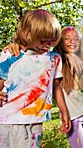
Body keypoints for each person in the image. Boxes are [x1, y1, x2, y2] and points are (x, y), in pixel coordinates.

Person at [0, 9, 71, 147]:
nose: (48, 45)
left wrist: (64, 112)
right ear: (28, 35)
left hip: (33, 120)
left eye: (52, 41)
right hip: (5, 119)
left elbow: (56, 86)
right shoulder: (11, 55)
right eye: (43, 41)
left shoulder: (53, 59)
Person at [53, 26, 83, 148]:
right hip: (72, 116)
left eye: (75, 38)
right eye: (67, 39)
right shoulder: (57, 61)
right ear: (61, 42)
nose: (72, 41)